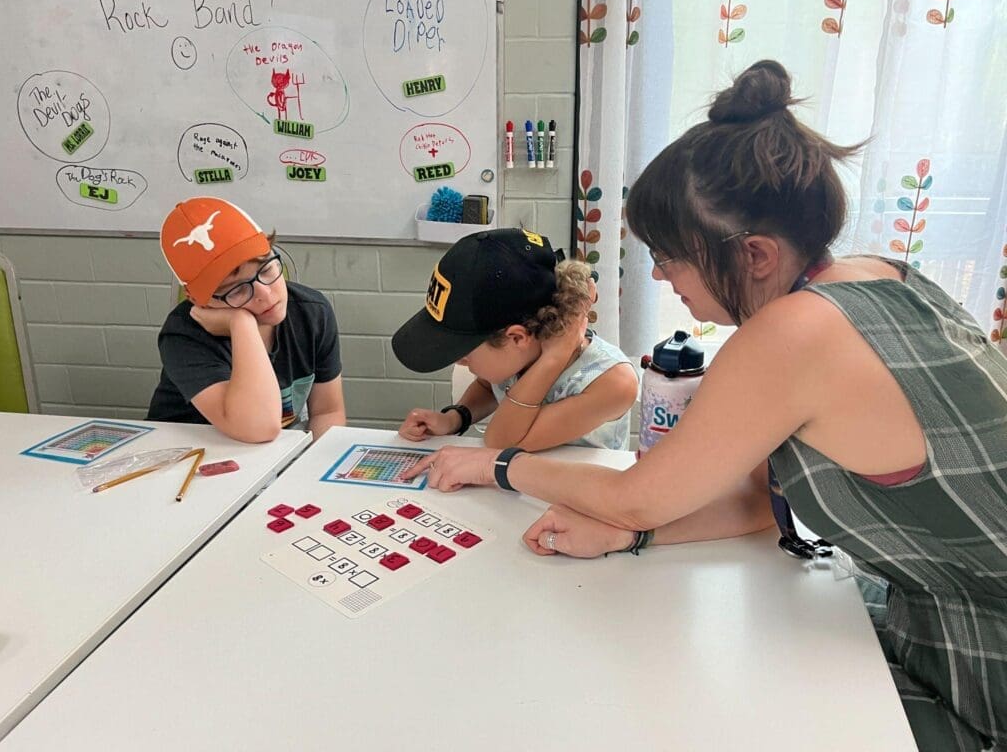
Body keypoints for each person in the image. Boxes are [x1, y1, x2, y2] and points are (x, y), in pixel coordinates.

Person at [401, 61, 1007, 751]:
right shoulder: (876, 274)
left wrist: (499, 468)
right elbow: (754, 503)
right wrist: (633, 536)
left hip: (978, 669)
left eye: (668, 255)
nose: (659, 274)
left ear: (752, 255)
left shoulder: (792, 332)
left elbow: (637, 495)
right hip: (928, 616)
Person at [392, 227, 638, 450]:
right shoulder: (516, 358)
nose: (459, 362)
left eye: (464, 350)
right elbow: (488, 386)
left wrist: (555, 357)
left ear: (518, 338)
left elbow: (501, 442)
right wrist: (455, 418)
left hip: (583, 497)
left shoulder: (613, 382)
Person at [147, 196, 345, 442]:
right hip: (190, 458)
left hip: (269, 458)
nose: (264, 293)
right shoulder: (184, 336)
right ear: (201, 300)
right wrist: (241, 323)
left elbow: (328, 411)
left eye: (266, 269)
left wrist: (314, 469)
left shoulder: (312, 312)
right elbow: (258, 428)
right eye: (236, 289)